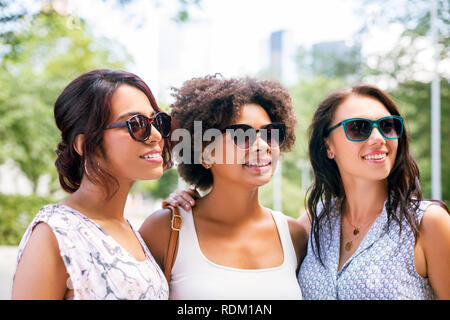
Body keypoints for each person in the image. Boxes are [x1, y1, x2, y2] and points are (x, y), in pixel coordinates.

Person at [139, 75, 307, 299]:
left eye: (270, 133)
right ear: (206, 154)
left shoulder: (295, 235)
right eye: (242, 135)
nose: (262, 145)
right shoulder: (165, 230)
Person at [12, 69, 172, 300]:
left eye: (157, 121)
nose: (156, 135)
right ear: (85, 144)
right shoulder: (56, 234)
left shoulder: (130, 230)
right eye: (136, 124)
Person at [297, 84, 450, 299]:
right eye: (358, 128)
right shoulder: (315, 220)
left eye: (387, 126)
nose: (379, 138)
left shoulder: (428, 223)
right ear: (328, 147)